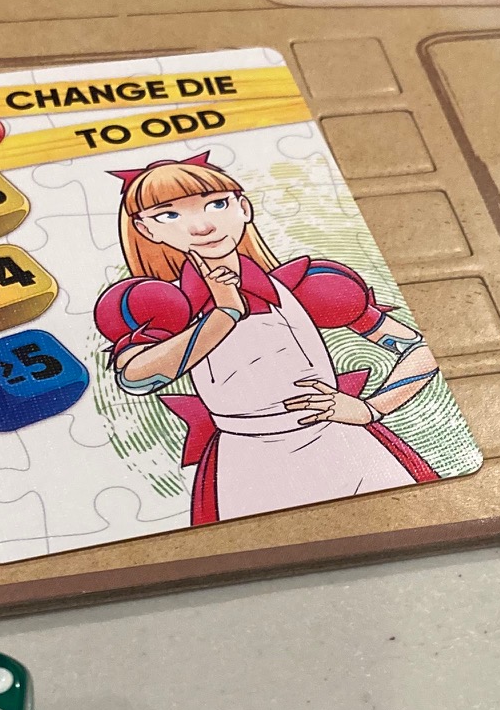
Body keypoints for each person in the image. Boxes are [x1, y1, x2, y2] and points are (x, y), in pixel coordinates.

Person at [93, 154, 441, 526]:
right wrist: (224, 314)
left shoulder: (307, 286)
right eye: (169, 215)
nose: (203, 226)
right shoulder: (162, 304)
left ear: (243, 208)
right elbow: (137, 378)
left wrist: (371, 409)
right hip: (249, 464)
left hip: (347, 448)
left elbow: (420, 349)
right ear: (146, 230)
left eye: (217, 204)